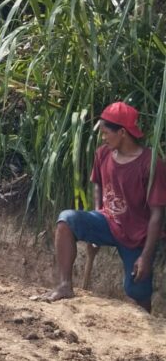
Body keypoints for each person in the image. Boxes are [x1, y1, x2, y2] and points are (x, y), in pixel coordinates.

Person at [42, 102, 165, 312]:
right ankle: (64, 286)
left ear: (123, 133)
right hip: (108, 221)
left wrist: (145, 256)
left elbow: (157, 215)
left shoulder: (150, 164)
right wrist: (98, 215)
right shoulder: (103, 154)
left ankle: (147, 316)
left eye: (106, 132)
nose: (103, 137)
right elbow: (98, 185)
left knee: (136, 289)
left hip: (137, 235)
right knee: (66, 220)